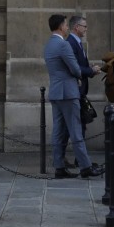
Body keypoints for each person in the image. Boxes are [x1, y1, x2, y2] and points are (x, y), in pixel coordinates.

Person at [44, 14, 104, 179]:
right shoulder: (63, 45)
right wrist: (91, 71)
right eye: (65, 25)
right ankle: (85, 166)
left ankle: (59, 167)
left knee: (58, 131)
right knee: (76, 130)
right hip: (68, 93)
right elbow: (76, 69)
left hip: (56, 92)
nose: (66, 28)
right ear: (61, 26)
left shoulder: (49, 44)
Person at [66, 15, 96, 138]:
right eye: (84, 26)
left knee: (80, 124)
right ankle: (77, 157)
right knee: (76, 126)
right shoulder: (71, 43)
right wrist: (90, 70)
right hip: (75, 90)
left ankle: (78, 157)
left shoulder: (77, 42)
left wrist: (91, 70)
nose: (86, 29)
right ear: (76, 27)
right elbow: (74, 68)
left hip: (81, 90)